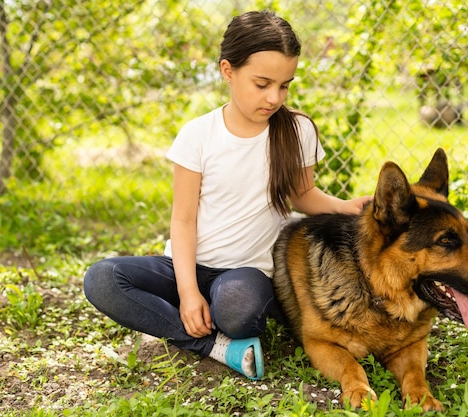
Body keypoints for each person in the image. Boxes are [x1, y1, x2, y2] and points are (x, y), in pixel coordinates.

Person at [84, 10, 371, 381]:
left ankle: (181, 318)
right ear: (228, 71)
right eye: (262, 83)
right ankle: (213, 345)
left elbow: (303, 194)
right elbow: (183, 219)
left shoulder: (297, 130)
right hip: (184, 267)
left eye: (284, 85)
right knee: (102, 279)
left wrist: (343, 207)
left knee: (237, 311)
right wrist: (188, 291)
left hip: (245, 273)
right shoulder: (198, 135)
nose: (274, 98)